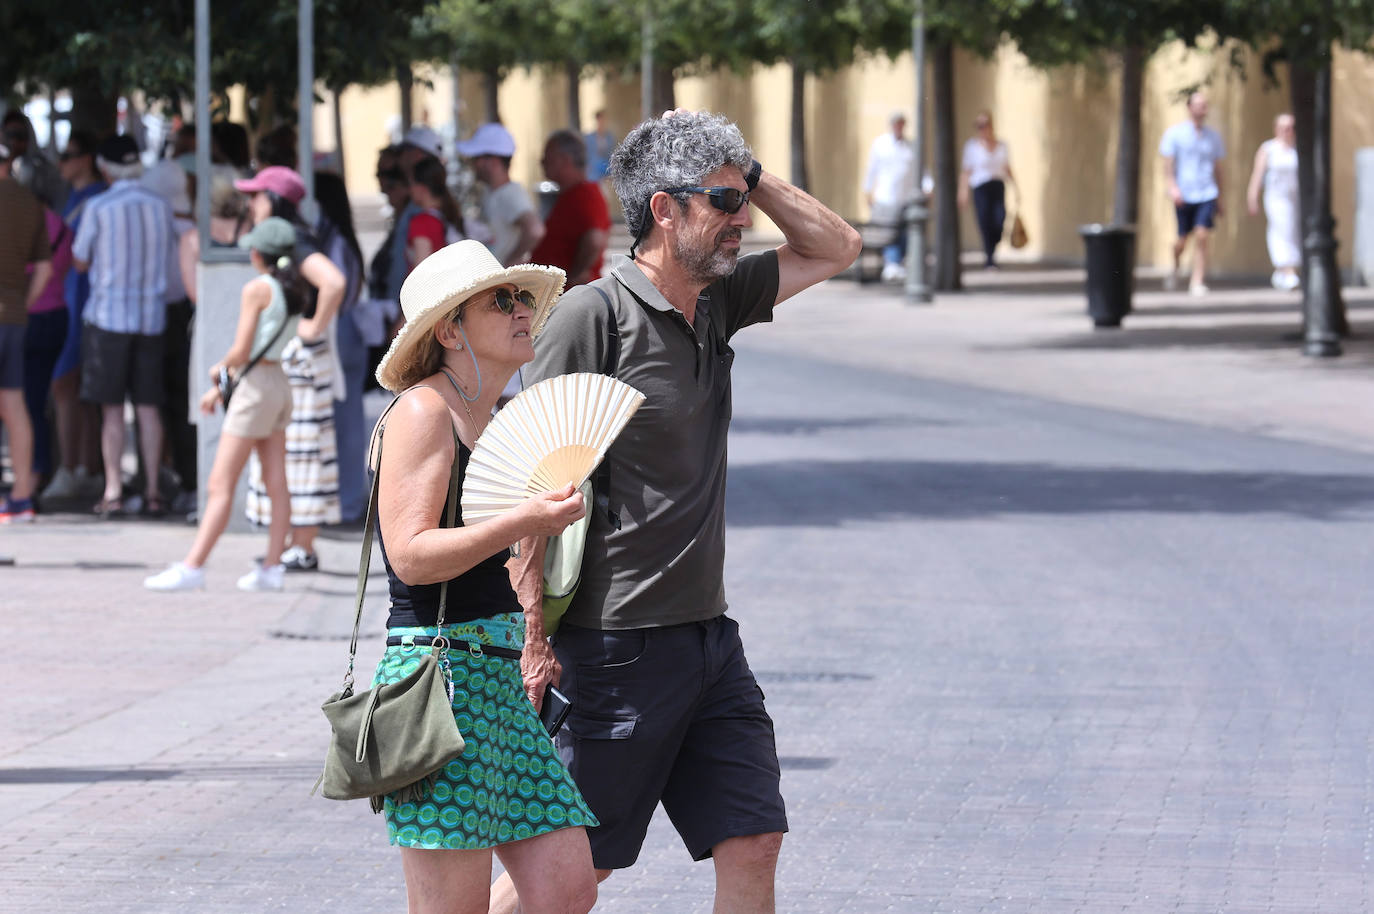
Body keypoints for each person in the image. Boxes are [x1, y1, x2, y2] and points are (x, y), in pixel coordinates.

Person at [492, 110, 861, 914]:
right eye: (723, 204)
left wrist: (749, 173)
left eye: (744, 202)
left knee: (754, 839)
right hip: (612, 648)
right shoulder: (593, 319)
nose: (744, 221)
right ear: (664, 210)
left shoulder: (719, 302)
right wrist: (530, 636)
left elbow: (836, 247)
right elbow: (530, 481)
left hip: (708, 641)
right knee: (570, 884)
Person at [367, 238, 598, 914]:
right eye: (502, 300)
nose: (522, 308)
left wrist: (532, 631)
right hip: (437, 680)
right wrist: (522, 520)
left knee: (566, 889)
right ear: (449, 328)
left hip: (490, 674)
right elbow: (409, 553)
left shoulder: (484, 418)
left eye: (524, 296)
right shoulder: (423, 412)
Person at [143, 218, 302, 592]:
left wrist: (218, 371)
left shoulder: (258, 288)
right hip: (279, 381)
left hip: (255, 385)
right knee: (276, 480)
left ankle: (193, 566)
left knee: (220, 483)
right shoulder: (293, 289)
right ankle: (272, 566)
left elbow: (241, 349)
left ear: (259, 254)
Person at [234, 165, 346, 571]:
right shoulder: (291, 236)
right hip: (300, 358)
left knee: (300, 449)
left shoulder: (292, 237)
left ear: (273, 199)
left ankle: (302, 545)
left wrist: (310, 330)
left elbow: (333, 282)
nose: (250, 204)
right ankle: (292, 545)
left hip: (301, 359)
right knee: (291, 447)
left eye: (256, 195)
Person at [72, 134, 177, 518]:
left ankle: (114, 491)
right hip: (152, 318)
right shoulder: (160, 206)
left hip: (108, 318)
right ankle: (152, 491)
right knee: (149, 408)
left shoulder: (98, 206)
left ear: (104, 168)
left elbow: (80, 260)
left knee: (112, 411)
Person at [40, 129, 106, 502]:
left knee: (67, 387)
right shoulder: (79, 198)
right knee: (80, 391)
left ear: (86, 160)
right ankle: (84, 468)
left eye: (68, 155)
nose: (61, 162)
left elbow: (79, 260)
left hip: (80, 302)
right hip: (77, 301)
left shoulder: (93, 200)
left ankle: (74, 469)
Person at [0, 138, 54, 524]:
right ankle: (22, 497)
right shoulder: (28, 202)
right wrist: (25, 301)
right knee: (15, 405)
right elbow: (46, 269)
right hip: (15, 315)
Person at [21, 194, 73, 494]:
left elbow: (35, 272)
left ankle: (28, 478)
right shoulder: (61, 227)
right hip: (57, 317)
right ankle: (37, 474)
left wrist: (25, 304)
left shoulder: (24, 226)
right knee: (37, 403)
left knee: (19, 405)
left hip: (26, 319)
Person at [1160, 91, 1226, 295]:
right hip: (1184, 193)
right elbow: (1168, 165)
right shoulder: (1175, 134)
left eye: (1205, 105)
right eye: (1198, 105)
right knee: (1182, 240)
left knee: (1202, 235)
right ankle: (1176, 266)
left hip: (1207, 192)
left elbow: (1218, 168)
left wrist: (1220, 198)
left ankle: (1197, 281)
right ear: (1189, 108)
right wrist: (1173, 188)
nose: (1202, 109)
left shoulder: (1213, 137)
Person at [530, 130, 610, 287]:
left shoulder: (585, 193)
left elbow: (595, 239)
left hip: (570, 296)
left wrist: (574, 277)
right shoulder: (571, 194)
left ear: (565, 160)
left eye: (548, 157)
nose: (543, 162)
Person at [457, 122, 544, 267]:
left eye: (476, 158)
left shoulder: (510, 193)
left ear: (493, 161)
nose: (473, 164)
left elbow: (535, 230)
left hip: (503, 282)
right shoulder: (491, 192)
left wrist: (511, 261)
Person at [1247, 112, 1301, 291]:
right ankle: (1289, 271)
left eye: (1291, 128)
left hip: (1295, 199)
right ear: (1276, 129)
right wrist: (1252, 197)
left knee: (1292, 231)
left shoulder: (1297, 149)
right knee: (1282, 229)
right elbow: (1258, 174)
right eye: (1284, 128)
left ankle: (1281, 271)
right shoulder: (1268, 148)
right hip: (1276, 198)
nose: (1288, 131)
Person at [958, 110, 1017, 270]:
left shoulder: (1002, 146)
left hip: (998, 185)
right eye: (979, 126)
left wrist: (1016, 188)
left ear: (991, 125)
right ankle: (990, 259)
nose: (982, 129)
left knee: (999, 219)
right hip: (980, 187)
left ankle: (994, 245)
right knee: (984, 222)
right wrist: (963, 191)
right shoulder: (972, 147)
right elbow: (966, 171)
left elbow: (1007, 167)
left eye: (985, 125)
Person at [863, 110, 915, 282]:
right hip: (886, 196)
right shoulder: (881, 144)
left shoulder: (911, 146)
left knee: (904, 234)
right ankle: (891, 264)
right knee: (888, 232)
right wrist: (867, 190)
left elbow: (919, 169)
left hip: (905, 197)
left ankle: (896, 263)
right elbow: (872, 168)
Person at [406, 156, 465, 271]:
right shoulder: (450, 215)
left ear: (421, 188)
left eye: (411, 184)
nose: (410, 190)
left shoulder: (421, 222)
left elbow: (421, 270)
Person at [3, 109, 68, 212]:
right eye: (9, 134)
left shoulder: (45, 171)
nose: (13, 141)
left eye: (19, 135)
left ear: (29, 136)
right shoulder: (3, 168)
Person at [584, 109, 616, 183]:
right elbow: (588, 154)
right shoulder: (589, 137)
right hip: (594, 172)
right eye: (601, 119)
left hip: (607, 170)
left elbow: (612, 153)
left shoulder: (609, 137)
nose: (603, 122)